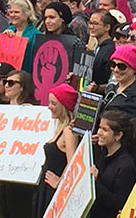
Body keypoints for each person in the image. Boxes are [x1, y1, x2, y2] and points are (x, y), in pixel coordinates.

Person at [0, 70, 38, 218]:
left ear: (23, 87)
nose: (6, 85)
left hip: (21, 168)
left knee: (18, 209)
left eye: (11, 83)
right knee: (4, 207)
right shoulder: (2, 109)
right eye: (6, 81)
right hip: (2, 166)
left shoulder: (31, 111)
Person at [35, 83, 80, 217]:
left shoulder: (68, 131)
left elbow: (73, 163)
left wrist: (60, 182)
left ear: (64, 106)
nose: (49, 107)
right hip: (46, 187)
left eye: (54, 104)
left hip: (54, 191)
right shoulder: (59, 127)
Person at [89, 110, 136, 218]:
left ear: (118, 135)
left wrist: (96, 182)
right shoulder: (102, 152)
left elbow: (119, 203)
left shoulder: (126, 166)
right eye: (99, 127)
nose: (99, 132)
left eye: (105, 130)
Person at [101, 45, 136, 131]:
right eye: (113, 64)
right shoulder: (113, 88)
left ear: (134, 69)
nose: (116, 69)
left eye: (122, 66)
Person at [3, 0, 40, 72]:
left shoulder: (36, 35)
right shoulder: (9, 29)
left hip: (26, 75)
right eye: (11, 12)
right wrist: (3, 38)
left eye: (16, 12)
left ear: (27, 14)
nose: (12, 15)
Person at [88, 11, 117, 87]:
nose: (91, 27)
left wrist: (98, 88)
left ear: (107, 27)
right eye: (90, 23)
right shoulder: (98, 47)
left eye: (95, 24)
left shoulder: (110, 49)